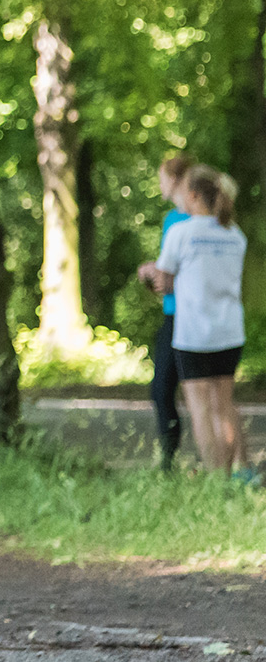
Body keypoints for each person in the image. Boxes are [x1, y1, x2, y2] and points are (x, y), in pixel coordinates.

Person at [143, 163, 248, 475]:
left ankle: (217, 480)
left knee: (200, 408)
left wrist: (149, 276)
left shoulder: (180, 233)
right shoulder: (235, 234)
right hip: (230, 332)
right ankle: (233, 473)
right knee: (223, 407)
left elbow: (164, 283)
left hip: (193, 336)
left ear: (192, 195)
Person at [139, 155, 195, 469]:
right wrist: (156, 275)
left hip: (186, 318)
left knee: (172, 390)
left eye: (161, 177)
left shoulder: (185, 221)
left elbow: (171, 276)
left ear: (174, 180)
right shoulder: (172, 219)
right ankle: (168, 461)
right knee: (165, 390)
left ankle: (171, 462)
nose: (159, 183)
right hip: (174, 312)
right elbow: (167, 277)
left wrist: (153, 272)